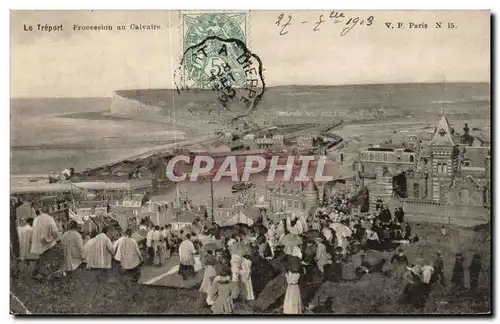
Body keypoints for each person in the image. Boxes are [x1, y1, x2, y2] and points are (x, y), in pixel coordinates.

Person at [31, 209, 62, 280]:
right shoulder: (49, 218)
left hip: (38, 243)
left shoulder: (36, 219)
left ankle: (40, 273)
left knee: (42, 257)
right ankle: (51, 273)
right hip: (47, 243)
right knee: (53, 256)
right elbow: (55, 232)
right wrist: (58, 240)